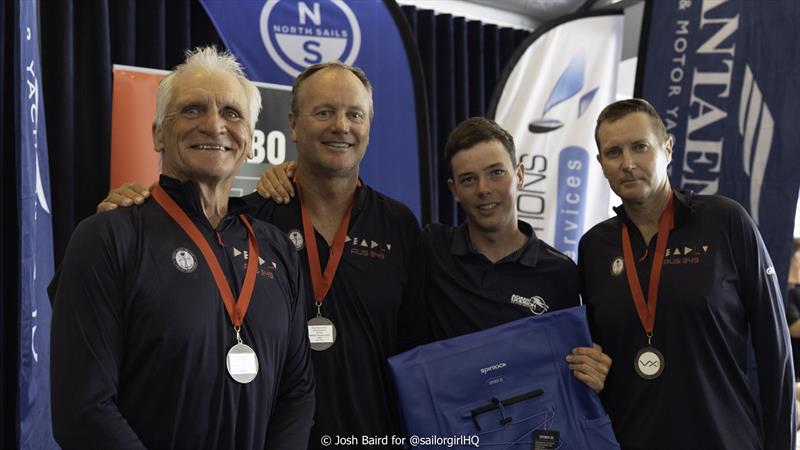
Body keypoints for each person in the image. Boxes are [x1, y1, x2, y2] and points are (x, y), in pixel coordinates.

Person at [98, 61, 426, 449]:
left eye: (355, 114)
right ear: (293, 125)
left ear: (369, 127)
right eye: (323, 112)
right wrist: (135, 213)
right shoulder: (253, 218)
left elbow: (417, 347)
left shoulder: (399, 224)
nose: (341, 125)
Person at [50, 47, 314, 449]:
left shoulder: (277, 250)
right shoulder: (107, 237)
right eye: (192, 110)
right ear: (157, 132)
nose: (213, 125)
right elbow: (84, 410)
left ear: (250, 141)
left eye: (231, 113)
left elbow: (297, 394)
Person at [258, 117, 612, 392]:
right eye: (469, 179)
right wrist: (289, 174)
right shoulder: (428, 248)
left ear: (519, 175)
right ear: (454, 190)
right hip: (447, 428)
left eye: (496, 173)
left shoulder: (560, 272)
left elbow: (575, 357)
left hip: (528, 430)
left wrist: (593, 368)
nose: (484, 189)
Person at [578, 98, 795, 449]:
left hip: (723, 438)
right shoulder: (595, 247)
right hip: (630, 440)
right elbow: (595, 351)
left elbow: (775, 351)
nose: (628, 163)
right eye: (614, 153)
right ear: (601, 164)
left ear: (667, 149)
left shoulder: (725, 221)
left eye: (640, 147)